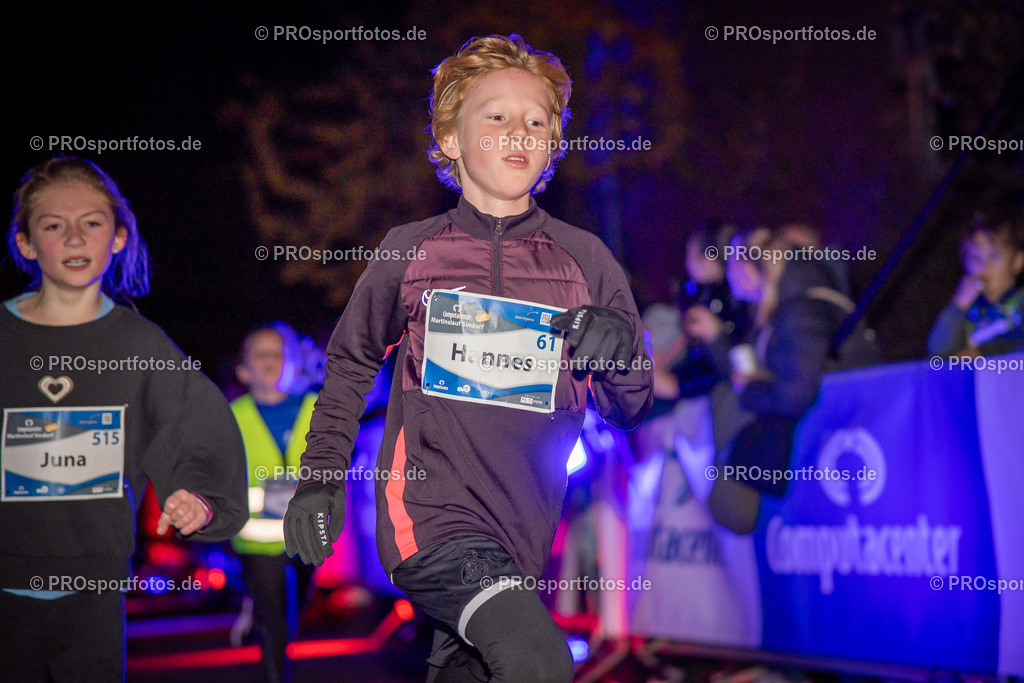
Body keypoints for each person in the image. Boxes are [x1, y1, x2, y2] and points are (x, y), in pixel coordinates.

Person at [282, 34, 653, 682]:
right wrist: (319, 478)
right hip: (429, 519)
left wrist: (620, 351)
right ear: (450, 139)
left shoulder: (584, 258)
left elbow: (630, 407)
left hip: (524, 533)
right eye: (497, 116)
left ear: (552, 146)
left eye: (537, 120)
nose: (520, 131)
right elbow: (349, 363)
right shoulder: (412, 250)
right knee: (539, 660)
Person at [0, 156, 248, 680]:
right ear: (25, 243)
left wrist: (200, 497)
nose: (73, 238)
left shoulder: (140, 347)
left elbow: (195, 430)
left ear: (117, 238)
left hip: (94, 595)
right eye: (52, 225)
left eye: (91, 222)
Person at [684, 227, 849, 533]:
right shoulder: (775, 305)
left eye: (732, 264)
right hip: (799, 453)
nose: (728, 274)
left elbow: (794, 395)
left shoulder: (801, 308)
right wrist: (719, 340)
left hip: (824, 446)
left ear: (749, 267)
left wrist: (749, 389)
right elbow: (754, 369)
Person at [230, 322, 319, 683]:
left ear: (296, 363)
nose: (270, 361)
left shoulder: (320, 409)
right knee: (277, 623)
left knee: (295, 612)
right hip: (256, 539)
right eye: (260, 354)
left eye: (279, 353)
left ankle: (256, 610)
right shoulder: (230, 417)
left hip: (307, 535)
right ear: (243, 369)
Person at [927, 212, 1024, 357]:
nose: (985, 266)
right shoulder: (968, 313)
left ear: (1018, 261)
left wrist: (984, 354)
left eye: (994, 256)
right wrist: (959, 305)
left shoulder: (1020, 303)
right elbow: (937, 353)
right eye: (975, 258)